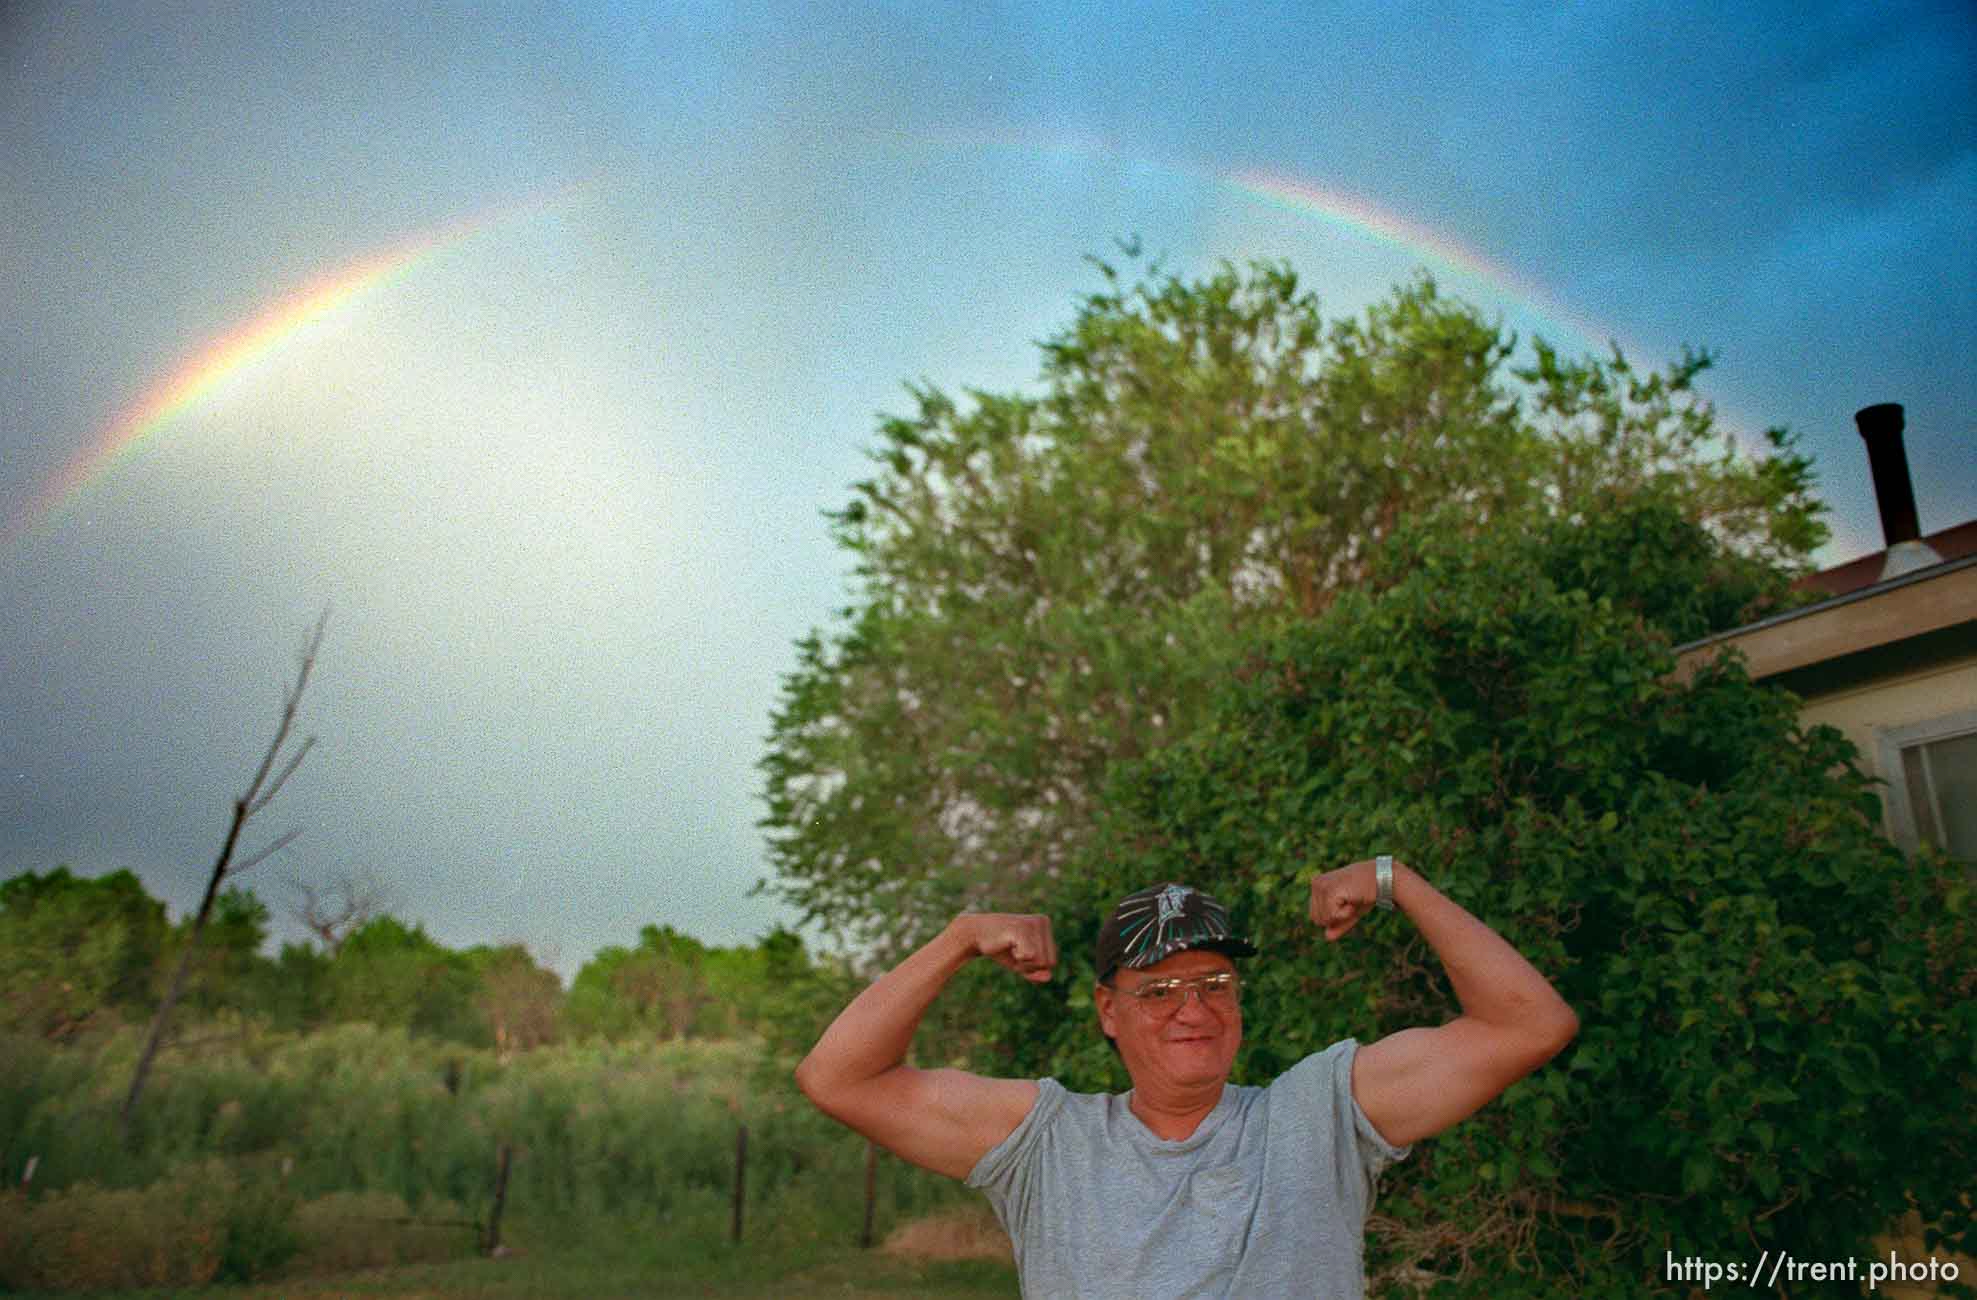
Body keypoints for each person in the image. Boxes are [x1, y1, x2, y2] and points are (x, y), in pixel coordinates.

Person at [794, 857, 1578, 1298]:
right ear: (1108, 1010)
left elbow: (1529, 1024)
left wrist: (1391, 881)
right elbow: (839, 1079)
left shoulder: (1319, 1114)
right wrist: (959, 939)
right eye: (1158, 990)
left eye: (1213, 983)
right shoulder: (1045, 1140)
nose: (1192, 1009)